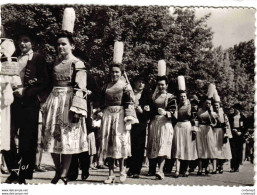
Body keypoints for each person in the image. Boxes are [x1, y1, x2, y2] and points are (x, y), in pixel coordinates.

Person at [41, 30, 89, 184]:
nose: (60, 47)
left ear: (72, 46)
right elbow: (48, 84)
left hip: (69, 101)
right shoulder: (54, 63)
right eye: (58, 44)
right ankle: (58, 169)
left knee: (68, 138)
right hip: (54, 101)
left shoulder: (78, 63)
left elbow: (81, 87)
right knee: (52, 137)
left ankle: (64, 173)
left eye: (64, 44)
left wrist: (76, 109)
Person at [4, 30, 50, 184]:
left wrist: (26, 91)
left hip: (30, 103)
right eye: (20, 40)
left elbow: (44, 81)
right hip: (12, 102)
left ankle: (23, 175)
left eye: (26, 40)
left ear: (32, 43)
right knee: (7, 136)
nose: (22, 43)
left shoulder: (38, 58)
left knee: (27, 141)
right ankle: (13, 170)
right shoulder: (11, 57)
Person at [98, 41, 138, 184]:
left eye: (117, 72)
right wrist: (99, 111)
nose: (114, 74)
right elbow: (101, 102)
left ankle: (122, 171)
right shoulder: (106, 86)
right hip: (108, 116)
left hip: (120, 117)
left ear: (121, 73)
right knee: (109, 144)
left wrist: (128, 118)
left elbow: (129, 102)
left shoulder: (125, 86)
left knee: (120, 144)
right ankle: (110, 173)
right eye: (112, 72)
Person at [147, 75, 176, 180]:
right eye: (159, 84)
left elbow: (174, 112)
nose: (161, 86)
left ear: (166, 85)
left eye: (163, 84)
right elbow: (151, 111)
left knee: (163, 145)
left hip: (165, 123)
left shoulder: (171, 97)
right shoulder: (154, 97)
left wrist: (166, 112)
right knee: (154, 145)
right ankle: (152, 169)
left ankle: (161, 171)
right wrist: (148, 110)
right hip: (155, 123)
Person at [127, 75, 151, 178]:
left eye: (143, 82)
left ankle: (136, 170)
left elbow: (150, 113)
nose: (141, 84)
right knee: (129, 146)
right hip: (129, 122)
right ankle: (129, 168)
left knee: (139, 147)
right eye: (139, 82)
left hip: (140, 124)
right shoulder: (129, 94)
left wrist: (142, 112)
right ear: (135, 83)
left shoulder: (147, 96)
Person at [173, 91, 198, 177]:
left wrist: (194, 130)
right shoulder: (177, 106)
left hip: (187, 126)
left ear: (186, 97)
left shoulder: (190, 106)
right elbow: (175, 117)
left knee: (187, 147)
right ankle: (177, 170)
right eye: (181, 96)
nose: (182, 98)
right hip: (179, 126)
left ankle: (186, 169)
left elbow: (193, 118)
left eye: (184, 96)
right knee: (178, 147)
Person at [196, 97, 217, 175]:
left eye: (209, 103)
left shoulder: (212, 112)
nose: (208, 104)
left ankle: (207, 167)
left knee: (208, 148)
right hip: (200, 129)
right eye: (207, 103)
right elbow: (196, 119)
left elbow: (215, 122)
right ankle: (200, 168)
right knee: (200, 148)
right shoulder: (199, 111)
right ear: (204, 103)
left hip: (208, 130)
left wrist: (210, 113)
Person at [212, 100, 232, 174]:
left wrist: (226, 134)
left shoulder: (223, 115)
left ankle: (221, 166)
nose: (216, 107)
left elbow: (227, 125)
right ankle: (215, 167)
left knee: (221, 149)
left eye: (217, 105)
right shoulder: (212, 114)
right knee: (214, 149)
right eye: (215, 106)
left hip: (221, 132)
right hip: (214, 132)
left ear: (220, 106)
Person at [228, 103, 246, 172]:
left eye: (238, 109)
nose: (236, 110)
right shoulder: (231, 117)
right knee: (233, 151)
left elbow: (245, 127)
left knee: (239, 151)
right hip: (233, 135)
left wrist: (241, 132)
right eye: (235, 109)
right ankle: (232, 167)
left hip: (239, 135)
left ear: (239, 110)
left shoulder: (242, 117)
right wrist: (232, 130)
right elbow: (228, 125)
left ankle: (237, 167)